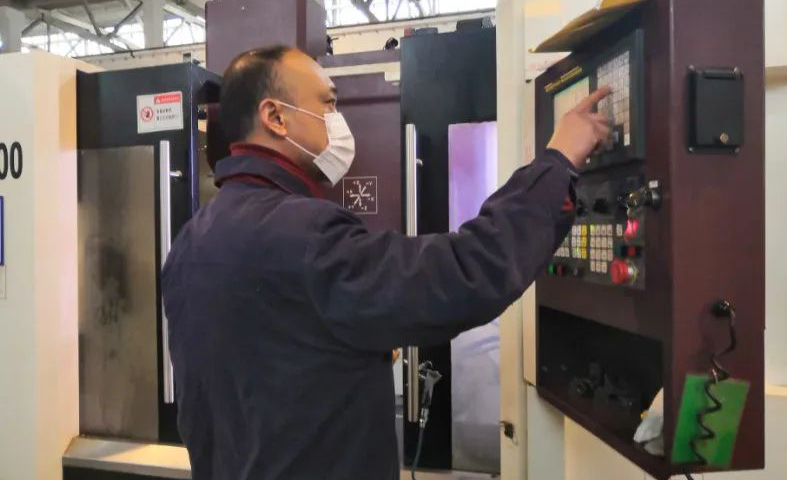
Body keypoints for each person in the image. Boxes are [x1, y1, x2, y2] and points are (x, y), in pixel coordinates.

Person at [161, 45, 611, 480]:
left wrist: (348, 349)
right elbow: (464, 273)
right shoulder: (302, 232)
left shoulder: (190, 242)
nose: (338, 120)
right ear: (275, 117)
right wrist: (557, 164)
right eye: (328, 103)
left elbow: (266, 370)